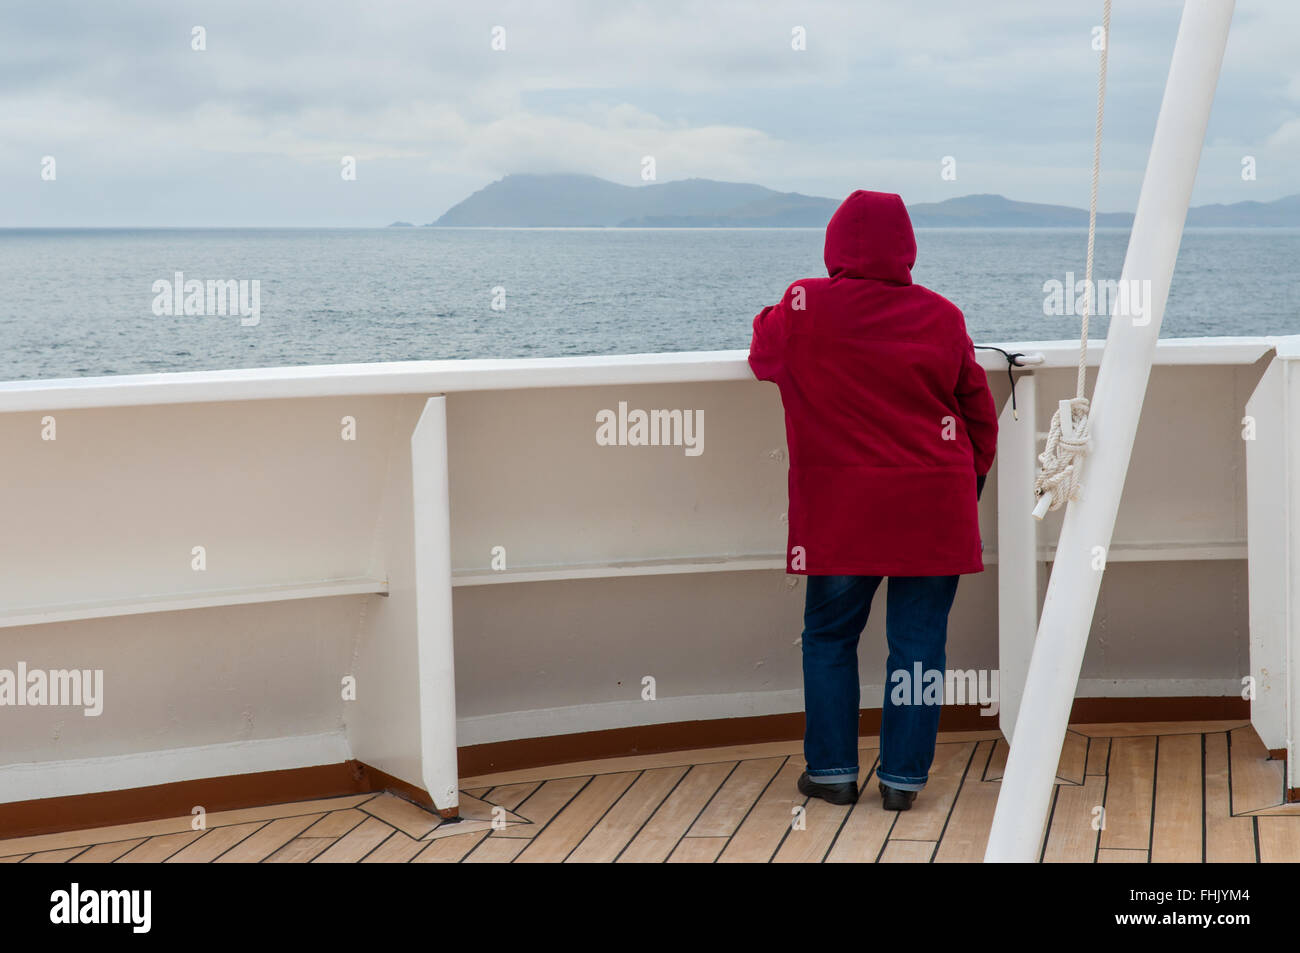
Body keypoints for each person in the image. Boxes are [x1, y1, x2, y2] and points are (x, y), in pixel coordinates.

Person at [748, 190, 998, 811]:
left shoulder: (803, 307)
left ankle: (832, 771)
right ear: (907, 249)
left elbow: (762, 353)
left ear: (833, 246)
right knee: (918, 647)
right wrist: (965, 488)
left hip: (841, 513)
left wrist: (780, 308)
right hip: (934, 506)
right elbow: (978, 417)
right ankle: (903, 781)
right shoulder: (941, 315)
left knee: (829, 637)